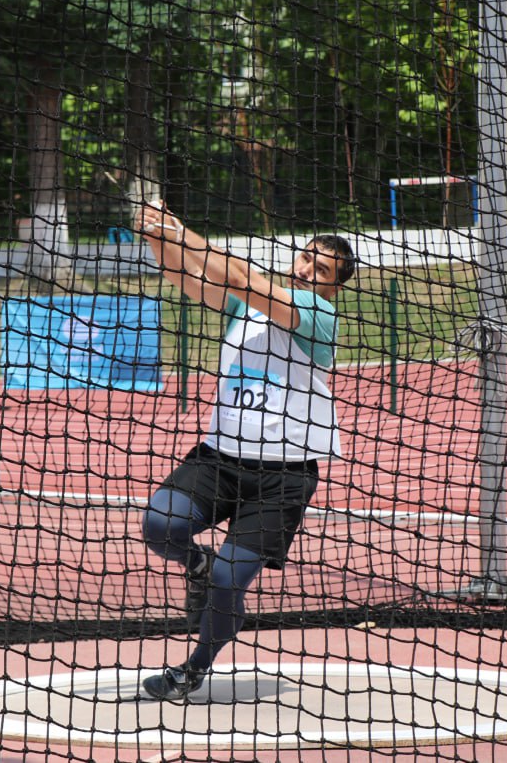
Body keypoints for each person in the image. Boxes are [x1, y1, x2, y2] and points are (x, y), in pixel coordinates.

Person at [133, 199, 356, 702]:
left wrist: (178, 228)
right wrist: (155, 235)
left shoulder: (319, 314)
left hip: (283, 477)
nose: (306, 269)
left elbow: (240, 277)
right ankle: (197, 565)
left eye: (321, 269)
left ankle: (193, 667)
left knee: (230, 580)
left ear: (333, 287)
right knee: (160, 525)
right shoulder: (247, 307)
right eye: (306, 257)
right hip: (220, 460)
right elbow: (188, 278)